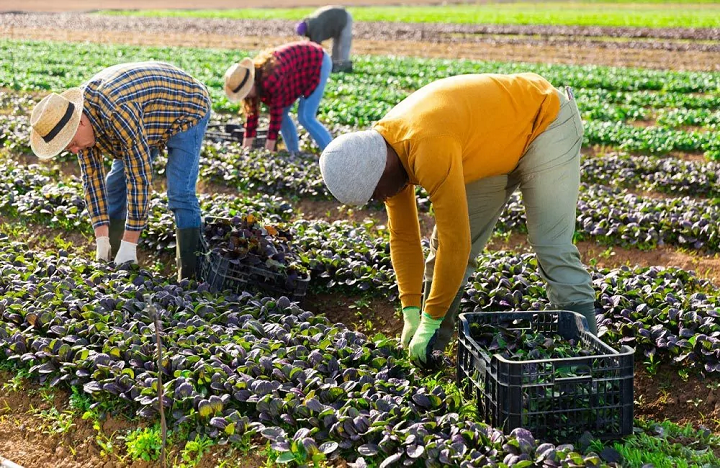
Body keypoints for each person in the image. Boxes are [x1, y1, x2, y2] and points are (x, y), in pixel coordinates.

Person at [319, 73, 597, 367]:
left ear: (380, 172)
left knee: (550, 245)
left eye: (376, 195)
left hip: (545, 122)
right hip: (493, 141)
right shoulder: (383, 154)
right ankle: (429, 353)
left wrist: (430, 319)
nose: (380, 200)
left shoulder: (428, 147)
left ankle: (588, 361)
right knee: (440, 251)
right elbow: (403, 237)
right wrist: (411, 311)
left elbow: (458, 243)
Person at [29, 61, 211, 280]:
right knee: (115, 184)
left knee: (180, 193)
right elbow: (92, 180)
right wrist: (101, 239)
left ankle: (191, 276)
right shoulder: (77, 122)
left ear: (81, 124)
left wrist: (130, 242)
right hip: (146, 117)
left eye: (73, 143)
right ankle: (113, 256)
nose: (75, 150)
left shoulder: (116, 110)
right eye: (69, 148)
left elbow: (139, 175)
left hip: (186, 107)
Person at [223, 42, 333, 155]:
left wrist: (269, 149)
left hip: (317, 61)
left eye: (246, 91)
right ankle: (293, 153)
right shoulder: (253, 82)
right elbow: (252, 116)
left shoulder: (271, 77)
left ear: (252, 83)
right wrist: (246, 148)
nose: (246, 96)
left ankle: (333, 153)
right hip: (296, 70)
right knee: (284, 116)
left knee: (305, 117)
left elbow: (276, 114)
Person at [296, 5, 353, 73]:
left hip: (344, 18)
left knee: (344, 43)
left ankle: (345, 64)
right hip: (335, 21)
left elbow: (317, 48)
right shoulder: (311, 23)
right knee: (336, 43)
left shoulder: (316, 27)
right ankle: (334, 63)